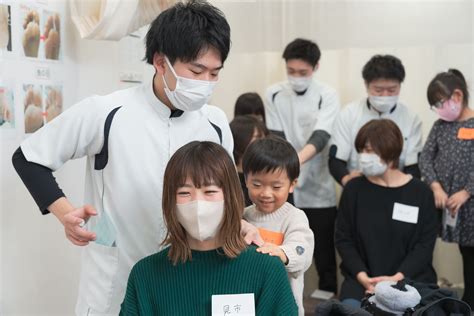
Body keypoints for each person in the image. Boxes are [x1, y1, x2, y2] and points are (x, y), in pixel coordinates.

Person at [12, 2, 261, 315]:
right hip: (114, 284)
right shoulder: (106, 112)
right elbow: (28, 158)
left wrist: (238, 223)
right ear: (160, 62)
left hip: (184, 286)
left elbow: (221, 193)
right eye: (196, 71)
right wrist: (65, 214)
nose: (205, 83)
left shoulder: (214, 121)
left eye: (214, 73)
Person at [120, 141, 298, 315]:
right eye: (184, 193)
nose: (198, 203)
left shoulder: (266, 269)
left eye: (210, 191)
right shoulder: (145, 274)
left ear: (230, 196)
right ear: (170, 201)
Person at [264, 38, 340, 296]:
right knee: (282, 243)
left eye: (303, 72)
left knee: (323, 248)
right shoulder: (273, 93)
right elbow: (275, 135)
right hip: (284, 181)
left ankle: (327, 296)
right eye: (291, 71)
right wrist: (286, 167)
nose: (296, 77)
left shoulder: (327, 95)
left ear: (316, 67)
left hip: (318, 184)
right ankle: (282, 295)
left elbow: (321, 136)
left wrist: (293, 161)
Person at [335, 119, 437, 306]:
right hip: (362, 282)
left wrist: (396, 278)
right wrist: (363, 277)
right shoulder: (354, 189)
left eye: (371, 151)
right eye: (362, 150)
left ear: (391, 152)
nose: (364, 156)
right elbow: (343, 239)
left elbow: (425, 245)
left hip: (410, 281)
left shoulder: (421, 193)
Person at [420, 69, 474, 308]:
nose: (439, 109)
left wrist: (467, 191)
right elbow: (425, 158)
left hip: (469, 203)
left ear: (458, 95)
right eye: (435, 105)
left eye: (440, 102)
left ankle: (470, 300)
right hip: (443, 202)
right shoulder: (440, 126)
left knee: (471, 253)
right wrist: (435, 187)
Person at [242, 136, 314, 315]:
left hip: (284, 306)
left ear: (292, 185)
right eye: (257, 184)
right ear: (246, 180)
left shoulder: (294, 217)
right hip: (250, 303)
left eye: (276, 187)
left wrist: (282, 253)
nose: (266, 193)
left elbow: (302, 252)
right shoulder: (244, 216)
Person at [329, 54, 423, 187]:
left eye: (392, 90)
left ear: (400, 86)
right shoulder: (348, 114)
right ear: (366, 85)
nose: (385, 95)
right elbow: (336, 160)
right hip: (359, 186)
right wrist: (347, 181)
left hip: (397, 187)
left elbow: (413, 165)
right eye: (378, 90)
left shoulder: (411, 118)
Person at [229, 115, 268, 206]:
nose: (264, 142)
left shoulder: (267, 173)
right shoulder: (229, 177)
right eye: (258, 137)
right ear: (240, 139)